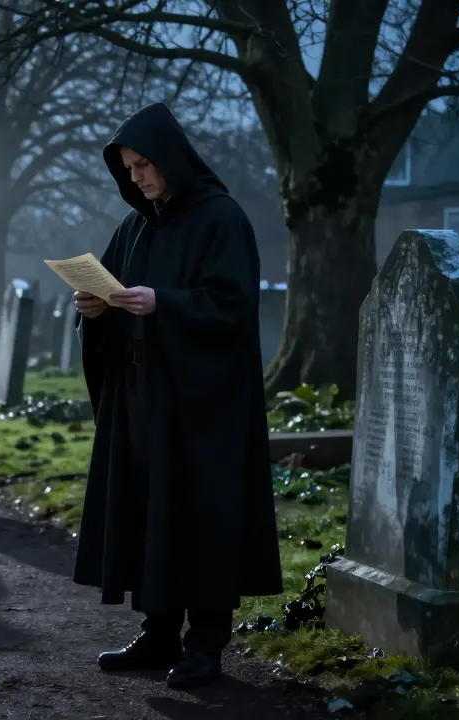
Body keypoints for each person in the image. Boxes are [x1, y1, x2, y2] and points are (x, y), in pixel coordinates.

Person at [71, 102, 282, 690]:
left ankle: (206, 644)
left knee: (200, 515)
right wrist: (95, 308)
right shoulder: (134, 227)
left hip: (202, 406)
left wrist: (166, 303)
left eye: (143, 164)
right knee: (148, 510)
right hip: (142, 398)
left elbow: (234, 305)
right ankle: (158, 632)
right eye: (128, 168)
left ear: (171, 159)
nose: (135, 176)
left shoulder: (222, 219)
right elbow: (114, 295)